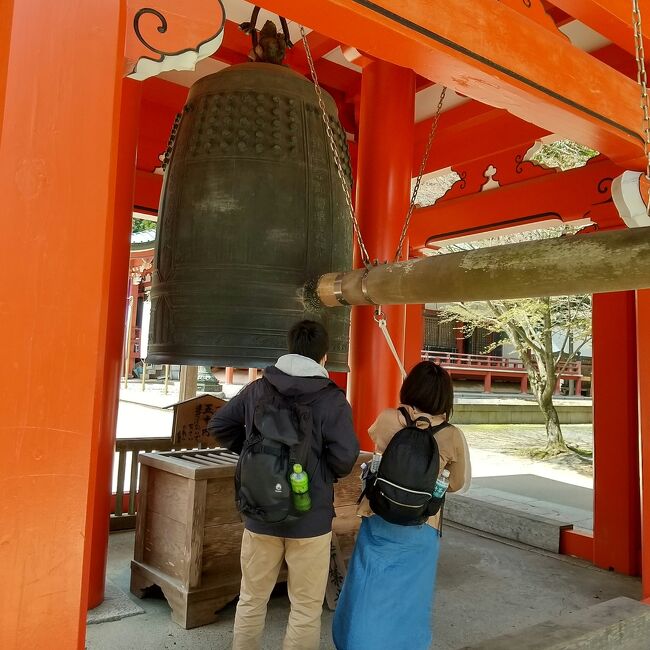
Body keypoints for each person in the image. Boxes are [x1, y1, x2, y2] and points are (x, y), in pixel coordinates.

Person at [207, 320, 359, 650]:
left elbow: (219, 424)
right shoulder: (331, 400)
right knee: (305, 609)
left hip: (260, 511)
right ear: (324, 357)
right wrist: (318, 473)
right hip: (311, 518)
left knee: (251, 599)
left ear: (289, 348)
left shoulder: (259, 388)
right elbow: (346, 457)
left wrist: (254, 456)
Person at [332, 361, 471, 650]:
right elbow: (456, 484)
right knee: (409, 599)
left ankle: (355, 642)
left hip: (379, 516)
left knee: (367, 588)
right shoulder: (451, 435)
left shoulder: (387, 419)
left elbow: (375, 442)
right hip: (422, 527)